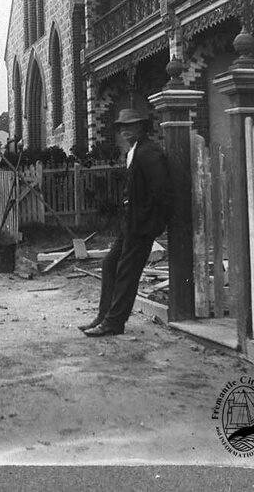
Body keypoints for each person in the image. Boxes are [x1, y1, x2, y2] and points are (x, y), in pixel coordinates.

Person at [80, 108, 172, 337]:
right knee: (110, 264)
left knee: (127, 273)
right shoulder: (135, 151)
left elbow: (161, 192)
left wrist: (150, 221)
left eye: (131, 125)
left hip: (141, 225)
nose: (125, 130)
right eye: (122, 127)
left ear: (142, 127)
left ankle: (114, 323)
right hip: (130, 223)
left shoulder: (149, 152)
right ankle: (104, 316)